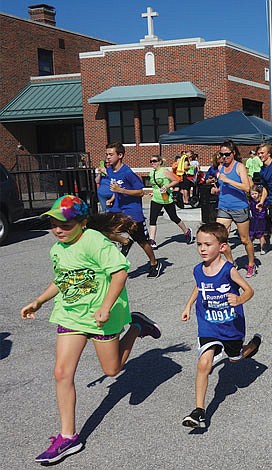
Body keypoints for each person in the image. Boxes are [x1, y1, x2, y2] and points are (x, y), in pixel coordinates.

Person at [20, 195, 161, 464]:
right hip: (71, 315)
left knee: (112, 370)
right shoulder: (57, 249)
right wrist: (39, 300)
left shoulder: (94, 241)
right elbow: (61, 280)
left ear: (82, 223)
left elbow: (120, 272)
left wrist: (107, 306)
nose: (58, 230)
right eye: (53, 224)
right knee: (61, 372)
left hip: (100, 316)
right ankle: (68, 436)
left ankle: (137, 326)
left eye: (65, 225)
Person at [180, 222, 261, 429]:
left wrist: (240, 299)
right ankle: (199, 411)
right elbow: (199, 287)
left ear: (222, 247)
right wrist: (188, 305)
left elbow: (249, 290)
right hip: (208, 324)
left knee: (235, 358)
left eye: (208, 244)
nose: (202, 249)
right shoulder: (198, 270)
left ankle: (251, 347)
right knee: (204, 363)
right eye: (199, 244)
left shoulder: (228, 270)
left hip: (230, 325)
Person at [105, 142, 162, 278]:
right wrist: (113, 197)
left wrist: (121, 190)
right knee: (105, 230)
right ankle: (125, 242)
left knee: (142, 242)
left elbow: (140, 192)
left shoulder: (127, 172)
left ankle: (154, 263)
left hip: (133, 213)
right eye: (106, 154)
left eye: (110, 154)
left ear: (120, 155)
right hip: (119, 209)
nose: (107, 157)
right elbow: (116, 188)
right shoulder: (110, 170)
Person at [213, 141, 256, 278]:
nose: (224, 157)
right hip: (224, 206)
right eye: (222, 154)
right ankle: (231, 263)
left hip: (239, 207)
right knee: (220, 238)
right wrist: (217, 189)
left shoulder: (239, 167)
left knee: (244, 239)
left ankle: (251, 264)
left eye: (227, 154)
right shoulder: (220, 167)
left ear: (234, 153)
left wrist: (228, 180)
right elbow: (223, 186)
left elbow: (246, 187)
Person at [147, 155, 193, 248]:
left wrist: (167, 187)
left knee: (174, 217)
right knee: (152, 219)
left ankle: (187, 231)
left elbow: (176, 180)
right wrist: (153, 192)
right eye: (151, 161)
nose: (153, 163)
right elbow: (154, 185)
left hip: (167, 198)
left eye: (154, 161)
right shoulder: (151, 172)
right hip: (156, 198)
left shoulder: (165, 171)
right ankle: (152, 241)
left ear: (160, 162)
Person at [248, 184, 271, 254]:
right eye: (252, 194)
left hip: (262, 220)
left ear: (259, 193)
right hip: (254, 220)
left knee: (261, 235)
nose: (254, 195)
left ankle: (263, 248)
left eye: (255, 193)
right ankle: (250, 248)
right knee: (251, 234)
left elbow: (267, 205)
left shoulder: (262, 201)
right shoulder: (251, 201)